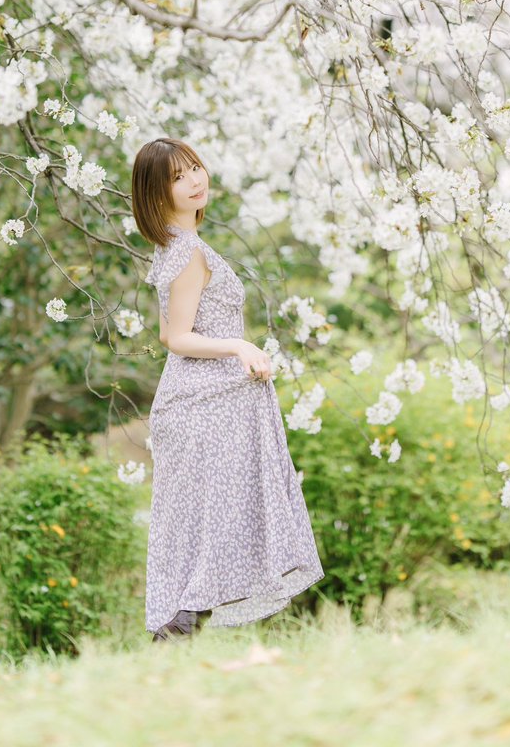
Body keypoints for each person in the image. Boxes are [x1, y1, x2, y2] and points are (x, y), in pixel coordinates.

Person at [130, 137, 325, 643]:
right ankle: (174, 635)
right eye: (177, 176)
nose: (195, 180)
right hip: (202, 403)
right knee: (204, 527)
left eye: (194, 167)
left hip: (208, 400)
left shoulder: (181, 246)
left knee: (205, 525)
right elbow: (175, 336)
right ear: (157, 192)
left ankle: (176, 639)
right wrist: (239, 347)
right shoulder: (187, 251)